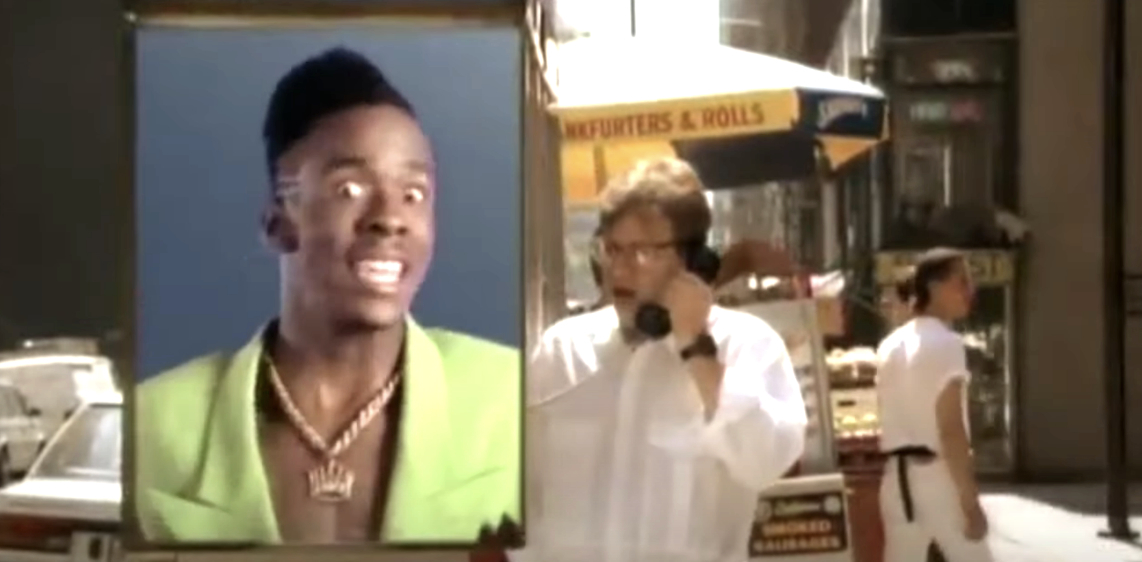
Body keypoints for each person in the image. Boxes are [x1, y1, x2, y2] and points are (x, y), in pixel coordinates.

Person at [133, 47, 521, 546]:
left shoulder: (512, 397)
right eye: (349, 189)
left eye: (414, 193)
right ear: (277, 224)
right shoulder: (153, 425)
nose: (390, 217)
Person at [523, 157, 808, 562]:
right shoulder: (563, 350)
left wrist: (696, 348)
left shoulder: (746, 345)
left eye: (643, 251)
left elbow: (766, 462)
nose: (620, 268)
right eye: (612, 249)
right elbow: (529, 497)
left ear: (693, 262)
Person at [875, 248, 992, 562]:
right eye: (962, 281)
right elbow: (950, 429)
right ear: (934, 287)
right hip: (938, 478)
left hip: (896, 481)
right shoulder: (947, 344)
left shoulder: (890, 345)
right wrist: (970, 502)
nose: (970, 290)